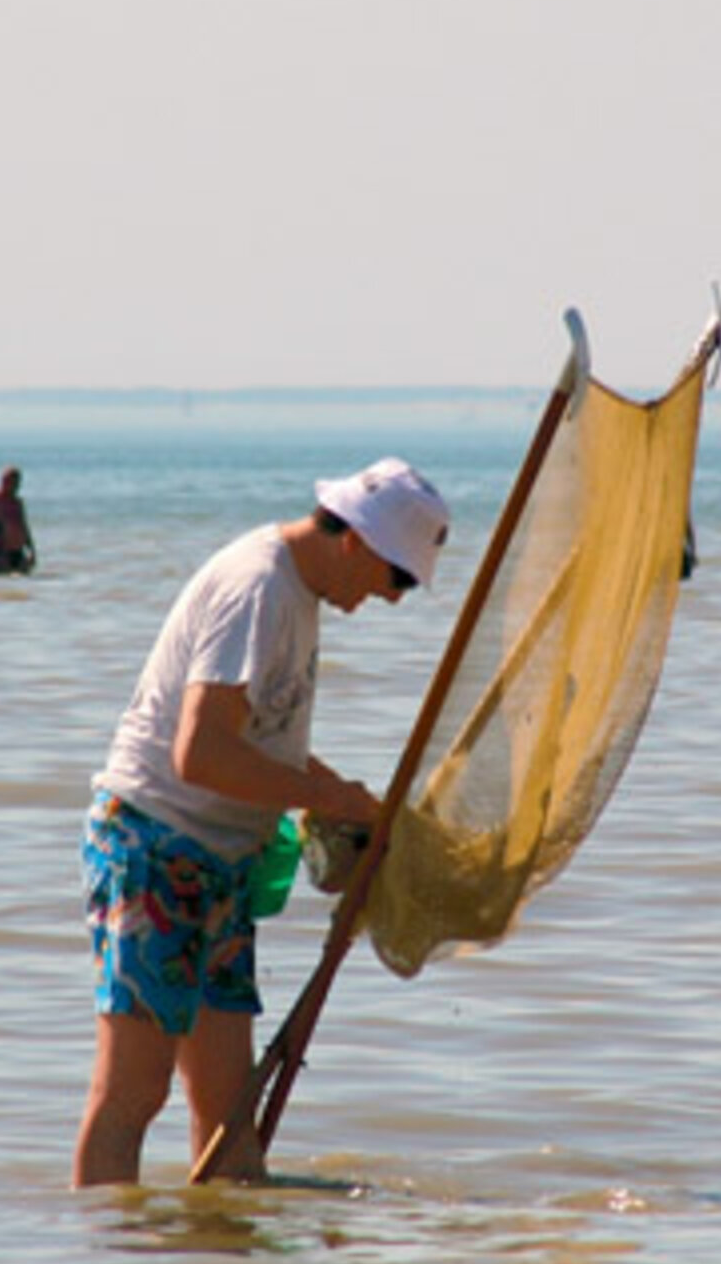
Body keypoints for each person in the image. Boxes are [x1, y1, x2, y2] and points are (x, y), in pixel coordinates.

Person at [71, 457, 450, 1187]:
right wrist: (331, 802)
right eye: (398, 577)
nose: (395, 599)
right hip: (154, 844)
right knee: (132, 1094)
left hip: (220, 861)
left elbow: (259, 739)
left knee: (227, 1115)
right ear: (356, 541)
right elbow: (199, 753)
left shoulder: (297, 592)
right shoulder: (260, 587)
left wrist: (340, 794)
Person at [0, 466, 35, 574]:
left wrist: (32, 550)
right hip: (1, 551)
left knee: (25, 580)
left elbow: (24, 526)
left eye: (17, 483)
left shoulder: (17, 503)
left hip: (18, 550)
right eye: (12, 482)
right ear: (3, 482)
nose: (15, 486)